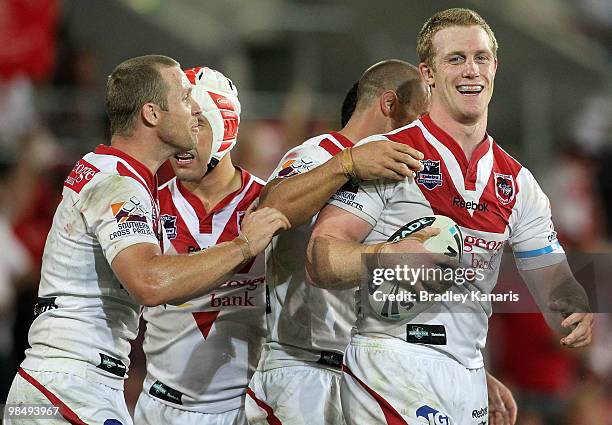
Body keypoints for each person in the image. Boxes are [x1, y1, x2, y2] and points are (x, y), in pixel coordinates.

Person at [306, 8, 593, 425]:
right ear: (429, 74)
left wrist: (574, 308)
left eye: (480, 57)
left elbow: (552, 277)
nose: (470, 70)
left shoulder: (519, 183)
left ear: (495, 66)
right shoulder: (389, 153)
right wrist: (385, 257)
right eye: (455, 59)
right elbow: (319, 257)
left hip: (469, 371)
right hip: (390, 360)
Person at [4, 55, 289, 424]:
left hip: (66, 384)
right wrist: (244, 245)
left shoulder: (115, 173)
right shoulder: (119, 183)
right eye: (184, 100)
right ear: (153, 114)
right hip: (71, 388)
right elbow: (150, 283)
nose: (191, 111)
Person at [246, 59, 517, 425]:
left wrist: (464, 369)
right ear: (389, 106)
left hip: (366, 368)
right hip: (306, 372)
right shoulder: (320, 154)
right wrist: (348, 163)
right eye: (422, 113)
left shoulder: (397, 179)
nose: (430, 127)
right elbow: (269, 209)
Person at [134, 66, 266, 425]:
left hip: (243, 411)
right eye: (176, 124)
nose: (182, 139)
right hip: (157, 408)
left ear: (227, 129)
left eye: (197, 123)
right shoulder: (142, 203)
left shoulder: (270, 204)